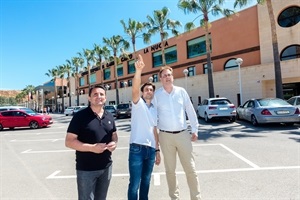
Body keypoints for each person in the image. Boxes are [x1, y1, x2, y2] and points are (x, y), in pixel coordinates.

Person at [153, 66, 201, 200]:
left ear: (172, 77)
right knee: (170, 171)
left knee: (190, 169)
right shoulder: (157, 95)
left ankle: (196, 197)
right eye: (164, 75)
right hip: (165, 137)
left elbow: (190, 111)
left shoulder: (181, 92)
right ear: (160, 79)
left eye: (169, 75)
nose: (167, 77)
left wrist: (195, 129)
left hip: (183, 135)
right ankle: (175, 198)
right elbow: (153, 119)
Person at [65, 84, 118, 200]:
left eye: (101, 94)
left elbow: (114, 135)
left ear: (105, 97)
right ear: (89, 98)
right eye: (95, 94)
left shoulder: (109, 116)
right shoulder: (80, 116)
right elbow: (69, 141)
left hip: (106, 167)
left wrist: (114, 143)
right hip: (86, 169)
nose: (99, 96)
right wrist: (92, 147)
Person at [128, 54, 161, 200]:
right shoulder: (138, 104)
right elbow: (134, 90)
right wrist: (138, 71)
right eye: (146, 89)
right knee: (134, 183)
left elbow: (154, 129)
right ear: (142, 93)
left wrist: (157, 150)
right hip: (137, 149)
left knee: (146, 182)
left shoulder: (154, 108)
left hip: (151, 150)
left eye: (151, 90)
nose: (149, 91)